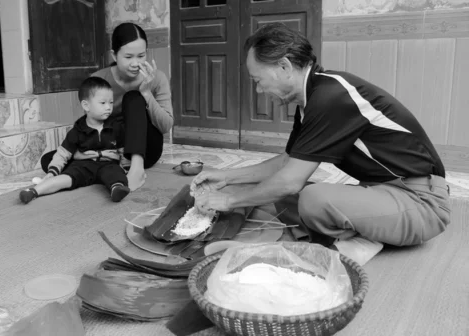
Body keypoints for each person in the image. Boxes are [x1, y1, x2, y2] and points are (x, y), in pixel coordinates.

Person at [191, 23, 451, 266]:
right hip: (381, 193)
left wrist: (228, 200)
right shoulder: (313, 99)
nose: (259, 90)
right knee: (282, 194)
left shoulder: (332, 97)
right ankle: (355, 234)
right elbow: (286, 163)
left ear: (283, 66)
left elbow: (290, 180)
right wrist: (226, 177)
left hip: (422, 204)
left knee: (310, 197)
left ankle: (359, 241)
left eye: (258, 80)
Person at [40, 22, 173, 191]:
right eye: (128, 57)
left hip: (146, 149)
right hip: (112, 150)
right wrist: (81, 153)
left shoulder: (157, 78)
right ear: (114, 55)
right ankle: (106, 170)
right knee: (48, 160)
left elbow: (166, 125)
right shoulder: (99, 81)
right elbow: (91, 123)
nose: (135, 63)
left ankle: (136, 170)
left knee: (134, 98)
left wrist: (146, 94)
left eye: (141, 56)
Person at [19, 77, 131, 204]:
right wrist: (52, 171)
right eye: (103, 103)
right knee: (64, 178)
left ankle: (116, 189)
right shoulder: (77, 130)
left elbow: (123, 149)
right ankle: (33, 192)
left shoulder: (116, 126)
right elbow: (62, 153)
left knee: (116, 175)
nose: (109, 107)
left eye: (111, 102)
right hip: (83, 166)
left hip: (108, 165)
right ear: (86, 105)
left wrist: (126, 168)